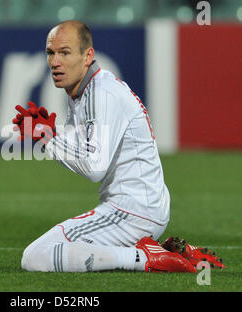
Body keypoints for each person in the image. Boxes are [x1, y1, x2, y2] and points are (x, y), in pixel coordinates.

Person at [12, 20, 224, 273]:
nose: (55, 61)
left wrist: (49, 138)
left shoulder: (100, 94)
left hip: (132, 211)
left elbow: (93, 167)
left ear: (87, 55)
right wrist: (52, 135)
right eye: (51, 53)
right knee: (47, 252)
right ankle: (159, 251)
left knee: (35, 258)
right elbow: (83, 151)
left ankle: (147, 259)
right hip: (139, 207)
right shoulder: (86, 91)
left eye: (65, 52)